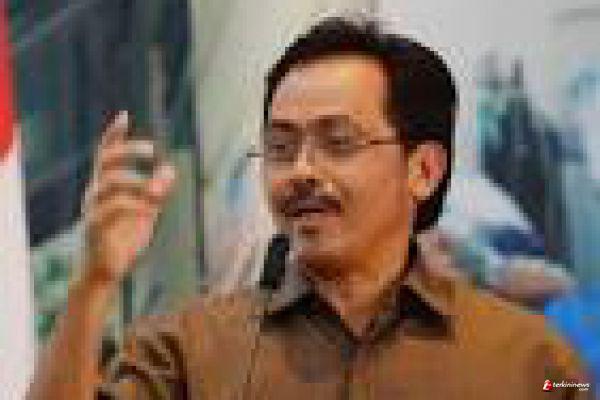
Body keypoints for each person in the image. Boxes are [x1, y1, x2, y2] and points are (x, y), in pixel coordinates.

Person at [28, 15, 591, 399]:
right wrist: (94, 281)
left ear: (423, 169)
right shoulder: (188, 353)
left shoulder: (531, 361)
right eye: (280, 147)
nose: (301, 170)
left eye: (338, 142)